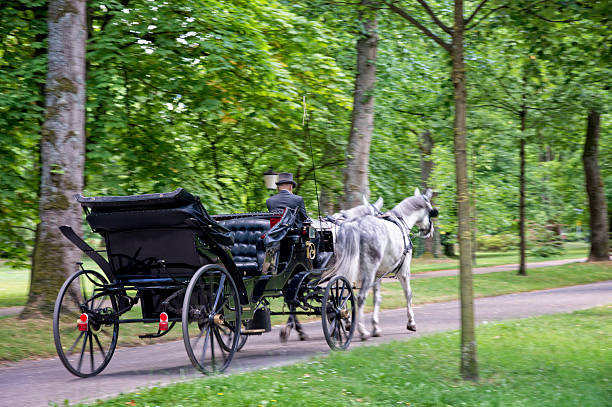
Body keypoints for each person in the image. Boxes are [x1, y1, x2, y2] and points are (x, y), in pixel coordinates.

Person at [265, 172, 308, 341]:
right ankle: (316, 265)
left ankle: (293, 324)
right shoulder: (297, 200)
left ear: (278, 187)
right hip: (295, 248)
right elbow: (305, 219)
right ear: (291, 187)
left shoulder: (270, 202)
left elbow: (275, 225)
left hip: (276, 248)